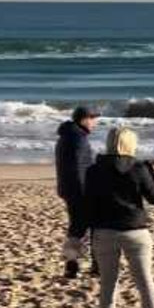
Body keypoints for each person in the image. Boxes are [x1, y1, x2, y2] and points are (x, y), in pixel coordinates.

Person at [83, 126, 154, 308]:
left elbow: (89, 204)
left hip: (105, 231)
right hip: (135, 231)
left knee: (108, 282)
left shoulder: (94, 170)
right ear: (130, 144)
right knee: (145, 281)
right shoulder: (138, 169)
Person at [55, 105, 100, 279]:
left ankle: (72, 266)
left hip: (69, 189)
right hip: (80, 191)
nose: (95, 122)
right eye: (93, 118)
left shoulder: (68, 135)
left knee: (77, 229)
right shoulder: (77, 139)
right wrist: (88, 193)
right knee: (93, 228)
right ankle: (95, 265)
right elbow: (78, 169)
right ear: (85, 119)